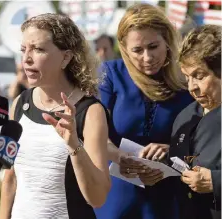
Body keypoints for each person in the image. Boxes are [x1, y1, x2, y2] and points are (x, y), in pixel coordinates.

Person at [0, 13, 111, 219]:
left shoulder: (90, 111)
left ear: (66, 57)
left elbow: (98, 198)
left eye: (38, 49)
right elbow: (11, 178)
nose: (27, 59)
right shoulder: (20, 103)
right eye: (24, 50)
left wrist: (74, 145)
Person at [94, 3, 194, 219]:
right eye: (137, 50)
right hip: (117, 195)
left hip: (167, 197)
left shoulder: (186, 82)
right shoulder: (111, 74)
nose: (147, 57)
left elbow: (201, 141)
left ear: (167, 40)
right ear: (124, 48)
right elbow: (92, 134)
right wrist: (123, 158)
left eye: (153, 46)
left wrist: (171, 150)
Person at [169, 24, 221, 219]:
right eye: (187, 77)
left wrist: (215, 181)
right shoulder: (185, 116)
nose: (192, 87)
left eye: (199, 76)